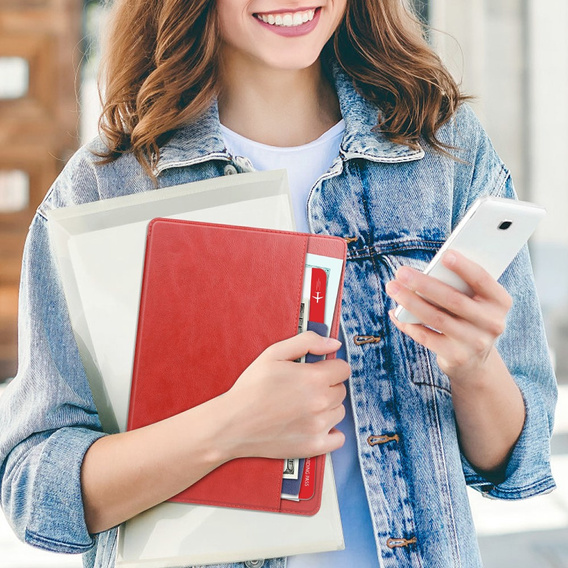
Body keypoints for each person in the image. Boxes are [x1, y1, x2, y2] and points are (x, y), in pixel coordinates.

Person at [0, 0, 557, 566]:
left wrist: (474, 367)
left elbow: (513, 456)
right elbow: (34, 488)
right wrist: (229, 427)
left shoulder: (440, 147)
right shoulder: (110, 183)